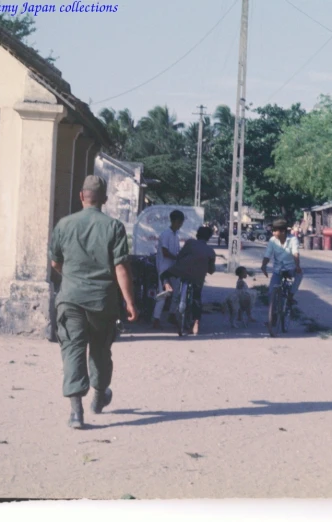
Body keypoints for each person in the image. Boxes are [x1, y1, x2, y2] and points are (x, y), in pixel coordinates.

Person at [49, 175, 138, 429]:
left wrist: (70, 278)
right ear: (105, 200)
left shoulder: (64, 225)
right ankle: (99, 398)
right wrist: (130, 301)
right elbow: (120, 267)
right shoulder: (114, 227)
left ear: (81, 196)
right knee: (100, 350)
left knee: (72, 350)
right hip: (103, 301)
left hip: (70, 300)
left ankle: (76, 413)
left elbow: (55, 261)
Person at [158, 226, 217, 335]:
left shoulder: (190, 243)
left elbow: (180, 256)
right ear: (208, 238)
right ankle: (196, 324)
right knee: (197, 299)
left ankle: (167, 286)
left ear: (197, 235)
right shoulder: (211, 251)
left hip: (181, 271)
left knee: (164, 274)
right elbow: (211, 270)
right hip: (198, 277)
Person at [152, 210, 184, 329]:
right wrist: (176, 257)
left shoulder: (176, 235)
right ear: (175, 221)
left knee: (176, 293)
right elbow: (165, 252)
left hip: (173, 268)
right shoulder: (166, 234)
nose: (181, 225)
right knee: (164, 294)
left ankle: (171, 314)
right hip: (164, 268)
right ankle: (156, 319)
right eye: (180, 222)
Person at [261, 219, 303, 303]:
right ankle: (275, 312)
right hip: (278, 270)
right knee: (271, 293)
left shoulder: (293, 239)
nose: (273, 233)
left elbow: (295, 253)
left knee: (300, 274)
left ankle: (291, 296)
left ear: (283, 231)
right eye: (273, 230)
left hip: (290, 268)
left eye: (275, 231)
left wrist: (297, 266)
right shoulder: (272, 240)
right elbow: (267, 254)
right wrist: (263, 265)